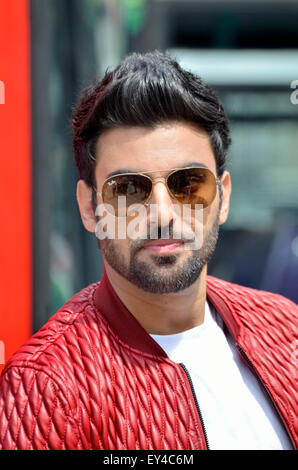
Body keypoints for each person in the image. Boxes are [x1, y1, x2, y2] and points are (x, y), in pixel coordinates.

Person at [0, 50, 297, 451]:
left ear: (223, 198)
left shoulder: (286, 331)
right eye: (128, 190)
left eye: (189, 184)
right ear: (90, 208)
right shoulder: (47, 389)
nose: (161, 213)